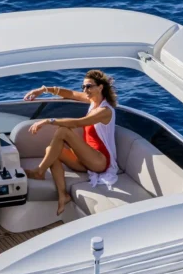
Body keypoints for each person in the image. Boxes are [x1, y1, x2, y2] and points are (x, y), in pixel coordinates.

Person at [23, 70, 118, 214]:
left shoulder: (105, 111)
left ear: (100, 87)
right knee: (51, 151)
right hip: (85, 160)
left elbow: (78, 123)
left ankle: (39, 171)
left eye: (89, 86)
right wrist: (44, 90)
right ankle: (63, 195)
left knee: (63, 131)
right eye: (83, 87)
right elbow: (71, 94)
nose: (85, 90)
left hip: (99, 161)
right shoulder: (93, 101)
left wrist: (49, 121)